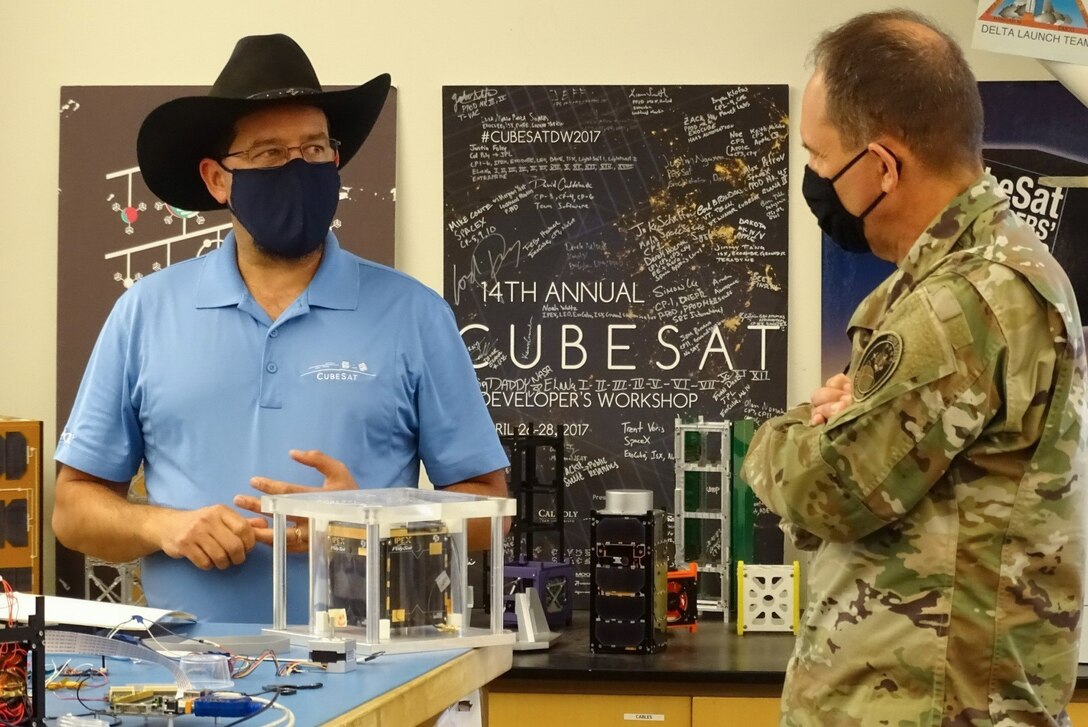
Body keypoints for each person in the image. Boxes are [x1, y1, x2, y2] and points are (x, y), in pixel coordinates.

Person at [52, 34, 510, 624]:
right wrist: (164, 525)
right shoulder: (145, 311)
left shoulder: (415, 315)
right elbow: (72, 509)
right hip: (192, 682)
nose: (298, 168)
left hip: (374, 673)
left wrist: (368, 519)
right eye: (269, 154)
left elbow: (488, 509)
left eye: (315, 149)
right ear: (218, 181)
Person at [742, 10, 1086, 726]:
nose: (810, 176)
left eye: (817, 154)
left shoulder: (962, 300)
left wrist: (791, 429)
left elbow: (829, 486)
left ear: (882, 166)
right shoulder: (986, 273)